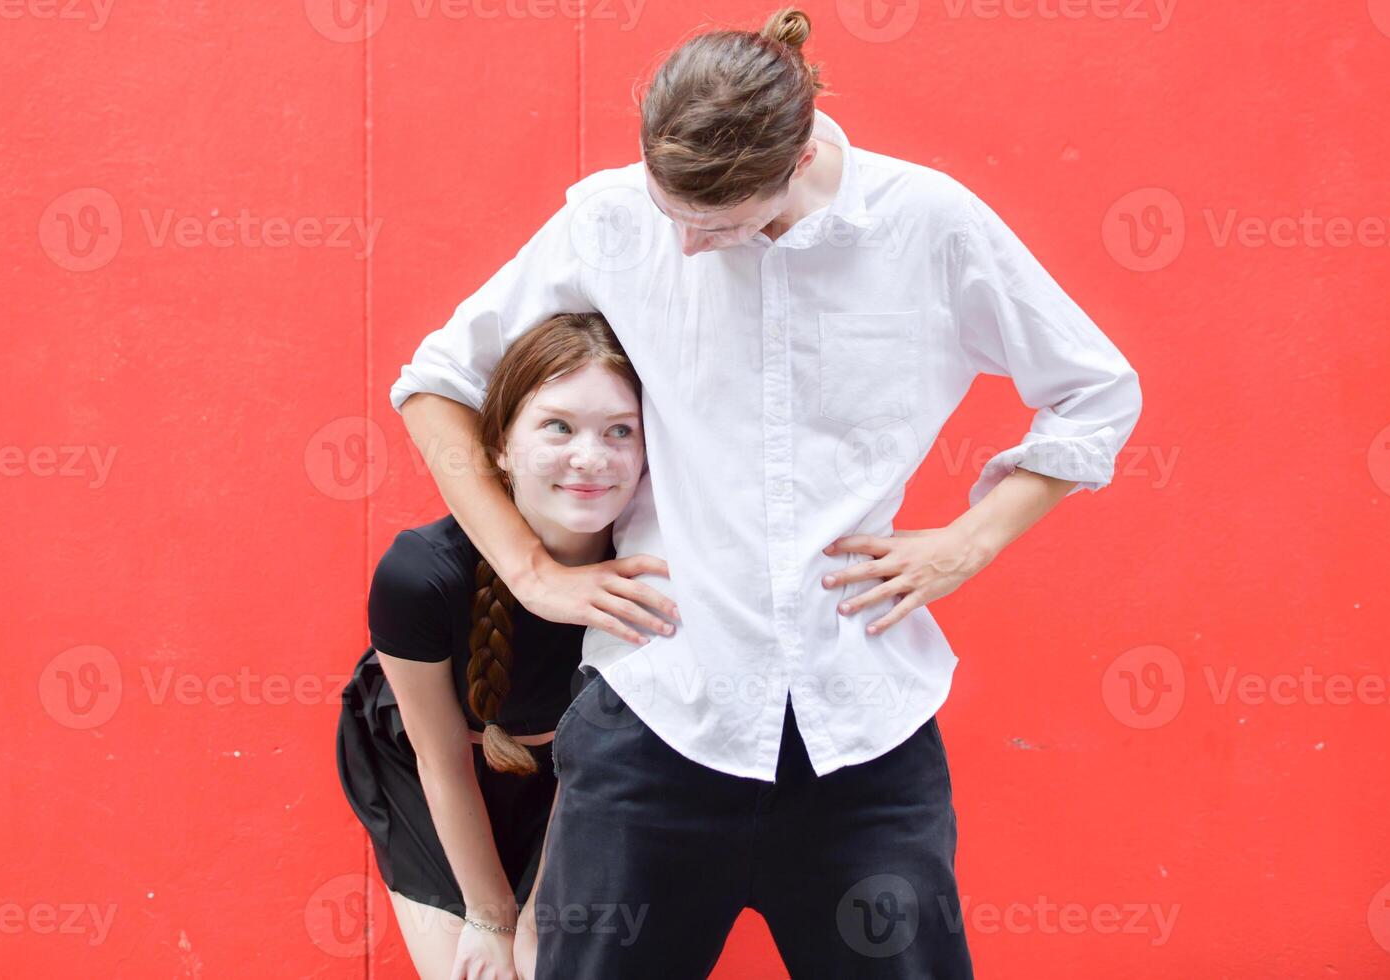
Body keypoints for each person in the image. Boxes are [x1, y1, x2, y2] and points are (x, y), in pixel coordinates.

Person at [391, 8, 1143, 977]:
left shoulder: (928, 224)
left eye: (723, 225)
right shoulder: (613, 220)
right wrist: (530, 570)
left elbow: (1095, 390)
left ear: (794, 164)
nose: (692, 248)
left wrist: (970, 540)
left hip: (865, 734)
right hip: (654, 716)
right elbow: (435, 382)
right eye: (677, 219)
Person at [335, 312, 663, 980]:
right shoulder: (421, 576)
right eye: (558, 426)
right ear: (500, 445)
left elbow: (598, 767)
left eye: (620, 431)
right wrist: (490, 916)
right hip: (436, 770)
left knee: (553, 963)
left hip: (586, 777)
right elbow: (439, 757)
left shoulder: (655, 574)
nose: (591, 457)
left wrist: (537, 915)